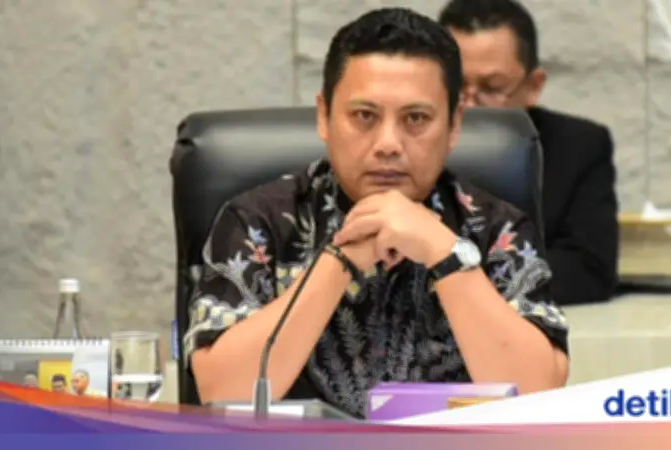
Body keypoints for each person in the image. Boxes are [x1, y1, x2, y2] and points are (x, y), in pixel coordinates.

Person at [185, 7, 569, 417]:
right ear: (324, 116)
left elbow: (538, 397)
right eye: (364, 116)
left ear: (454, 124)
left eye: (416, 118)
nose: (388, 143)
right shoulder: (257, 223)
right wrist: (340, 260)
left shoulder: (498, 229)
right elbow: (222, 393)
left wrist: (446, 254)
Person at [438, 0, 619, 306]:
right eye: (455, 85)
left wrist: (458, 278)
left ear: (534, 85)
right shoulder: (400, 142)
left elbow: (588, 270)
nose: (468, 105)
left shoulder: (579, 147)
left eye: (491, 87)